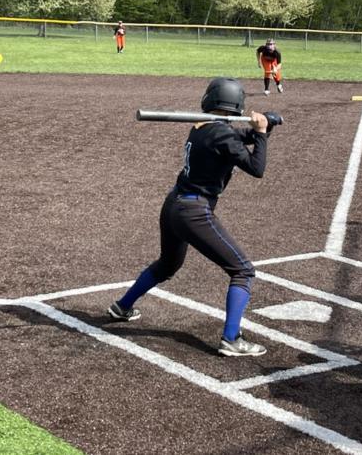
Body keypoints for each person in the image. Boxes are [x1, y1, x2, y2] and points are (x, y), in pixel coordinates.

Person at [107, 78, 281, 356]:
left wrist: (263, 129)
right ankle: (232, 339)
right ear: (235, 105)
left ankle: (122, 306)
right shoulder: (221, 134)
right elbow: (256, 167)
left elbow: (236, 139)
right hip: (195, 211)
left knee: (167, 265)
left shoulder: (203, 127)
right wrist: (260, 133)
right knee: (243, 270)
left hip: (174, 205)